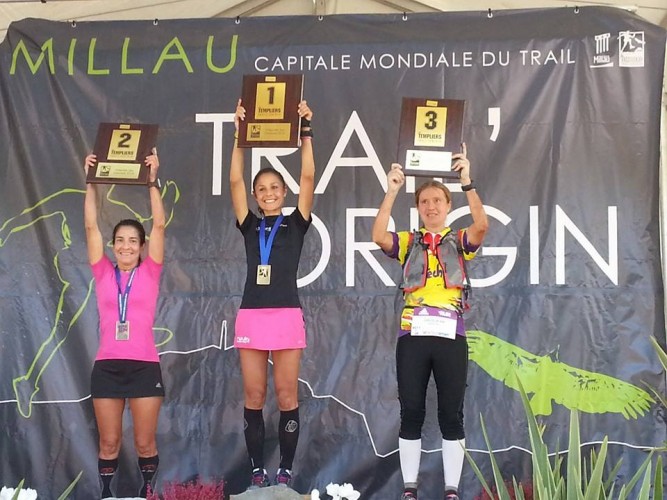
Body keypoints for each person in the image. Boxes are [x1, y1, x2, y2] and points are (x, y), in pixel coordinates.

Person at [372, 144, 488, 500]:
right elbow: (379, 236)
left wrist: (466, 181)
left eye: (438, 200)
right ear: (419, 208)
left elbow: (482, 225)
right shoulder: (410, 241)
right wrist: (392, 190)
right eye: (425, 202)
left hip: (451, 335)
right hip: (414, 336)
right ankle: (410, 488)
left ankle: (451, 489)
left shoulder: (459, 240)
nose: (432, 206)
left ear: (448, 206)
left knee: (452, 414)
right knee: (411, 411)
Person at [230, 98, 315, 490]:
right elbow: (233, 182)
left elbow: (310, 179)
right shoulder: (250, 226)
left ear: (284, 192)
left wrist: (306, 132)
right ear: (255, 193)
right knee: (253, 394)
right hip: (251, 316)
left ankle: (284, 469)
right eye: (261, 188)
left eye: (274, 187)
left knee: (285, 395)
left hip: (285, 316)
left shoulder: (296, 223)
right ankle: (255, 471)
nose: (267, 193)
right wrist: (238, 135)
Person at [84, 149, 166, 499]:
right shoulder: (103, 271)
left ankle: (148, 491)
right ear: (112, 246)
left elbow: (159, 223)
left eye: (134, 241)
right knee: (109, 441)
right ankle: (106, 494)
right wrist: (90, 182)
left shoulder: (151, 270)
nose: (127, 246)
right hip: (107, 367)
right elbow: (90, 225)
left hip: (145, 366)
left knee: (145, 442)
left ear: (142, 246)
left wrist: (151, 180)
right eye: (120, 241)